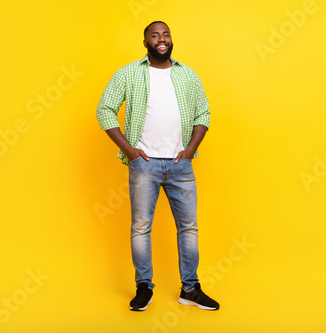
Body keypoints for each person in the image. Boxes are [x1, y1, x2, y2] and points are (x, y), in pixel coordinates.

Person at [96, 20, 219, 311]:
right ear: (146, 43)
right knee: (141, 227)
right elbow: (104, 109)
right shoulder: (129, 73)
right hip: (144, 165)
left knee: (188, 227)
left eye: (165, 35)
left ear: (170, 40)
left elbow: (204, 112)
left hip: (181, 164)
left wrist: (190, 150)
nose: (161, 39)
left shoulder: (187, 74)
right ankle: (144, 288)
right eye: (155, 36)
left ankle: (190, 289)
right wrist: (129, 150)